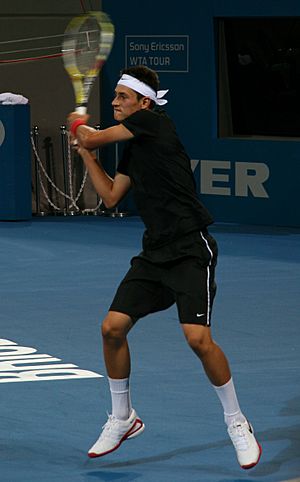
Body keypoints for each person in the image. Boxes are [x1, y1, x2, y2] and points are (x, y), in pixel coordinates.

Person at [67, 65, 262, 469]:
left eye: (123, 96)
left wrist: (82, 130)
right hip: (154, 254)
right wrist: (86, 152)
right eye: (115, 95)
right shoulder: (135, 144)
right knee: (112, 328)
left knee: (197, 339)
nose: (116, 101)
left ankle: (237, 421)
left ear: (144, 102)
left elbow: (96, 135)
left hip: (191, 249)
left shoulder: (155, 123)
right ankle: (123, 418)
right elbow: (110, 196)